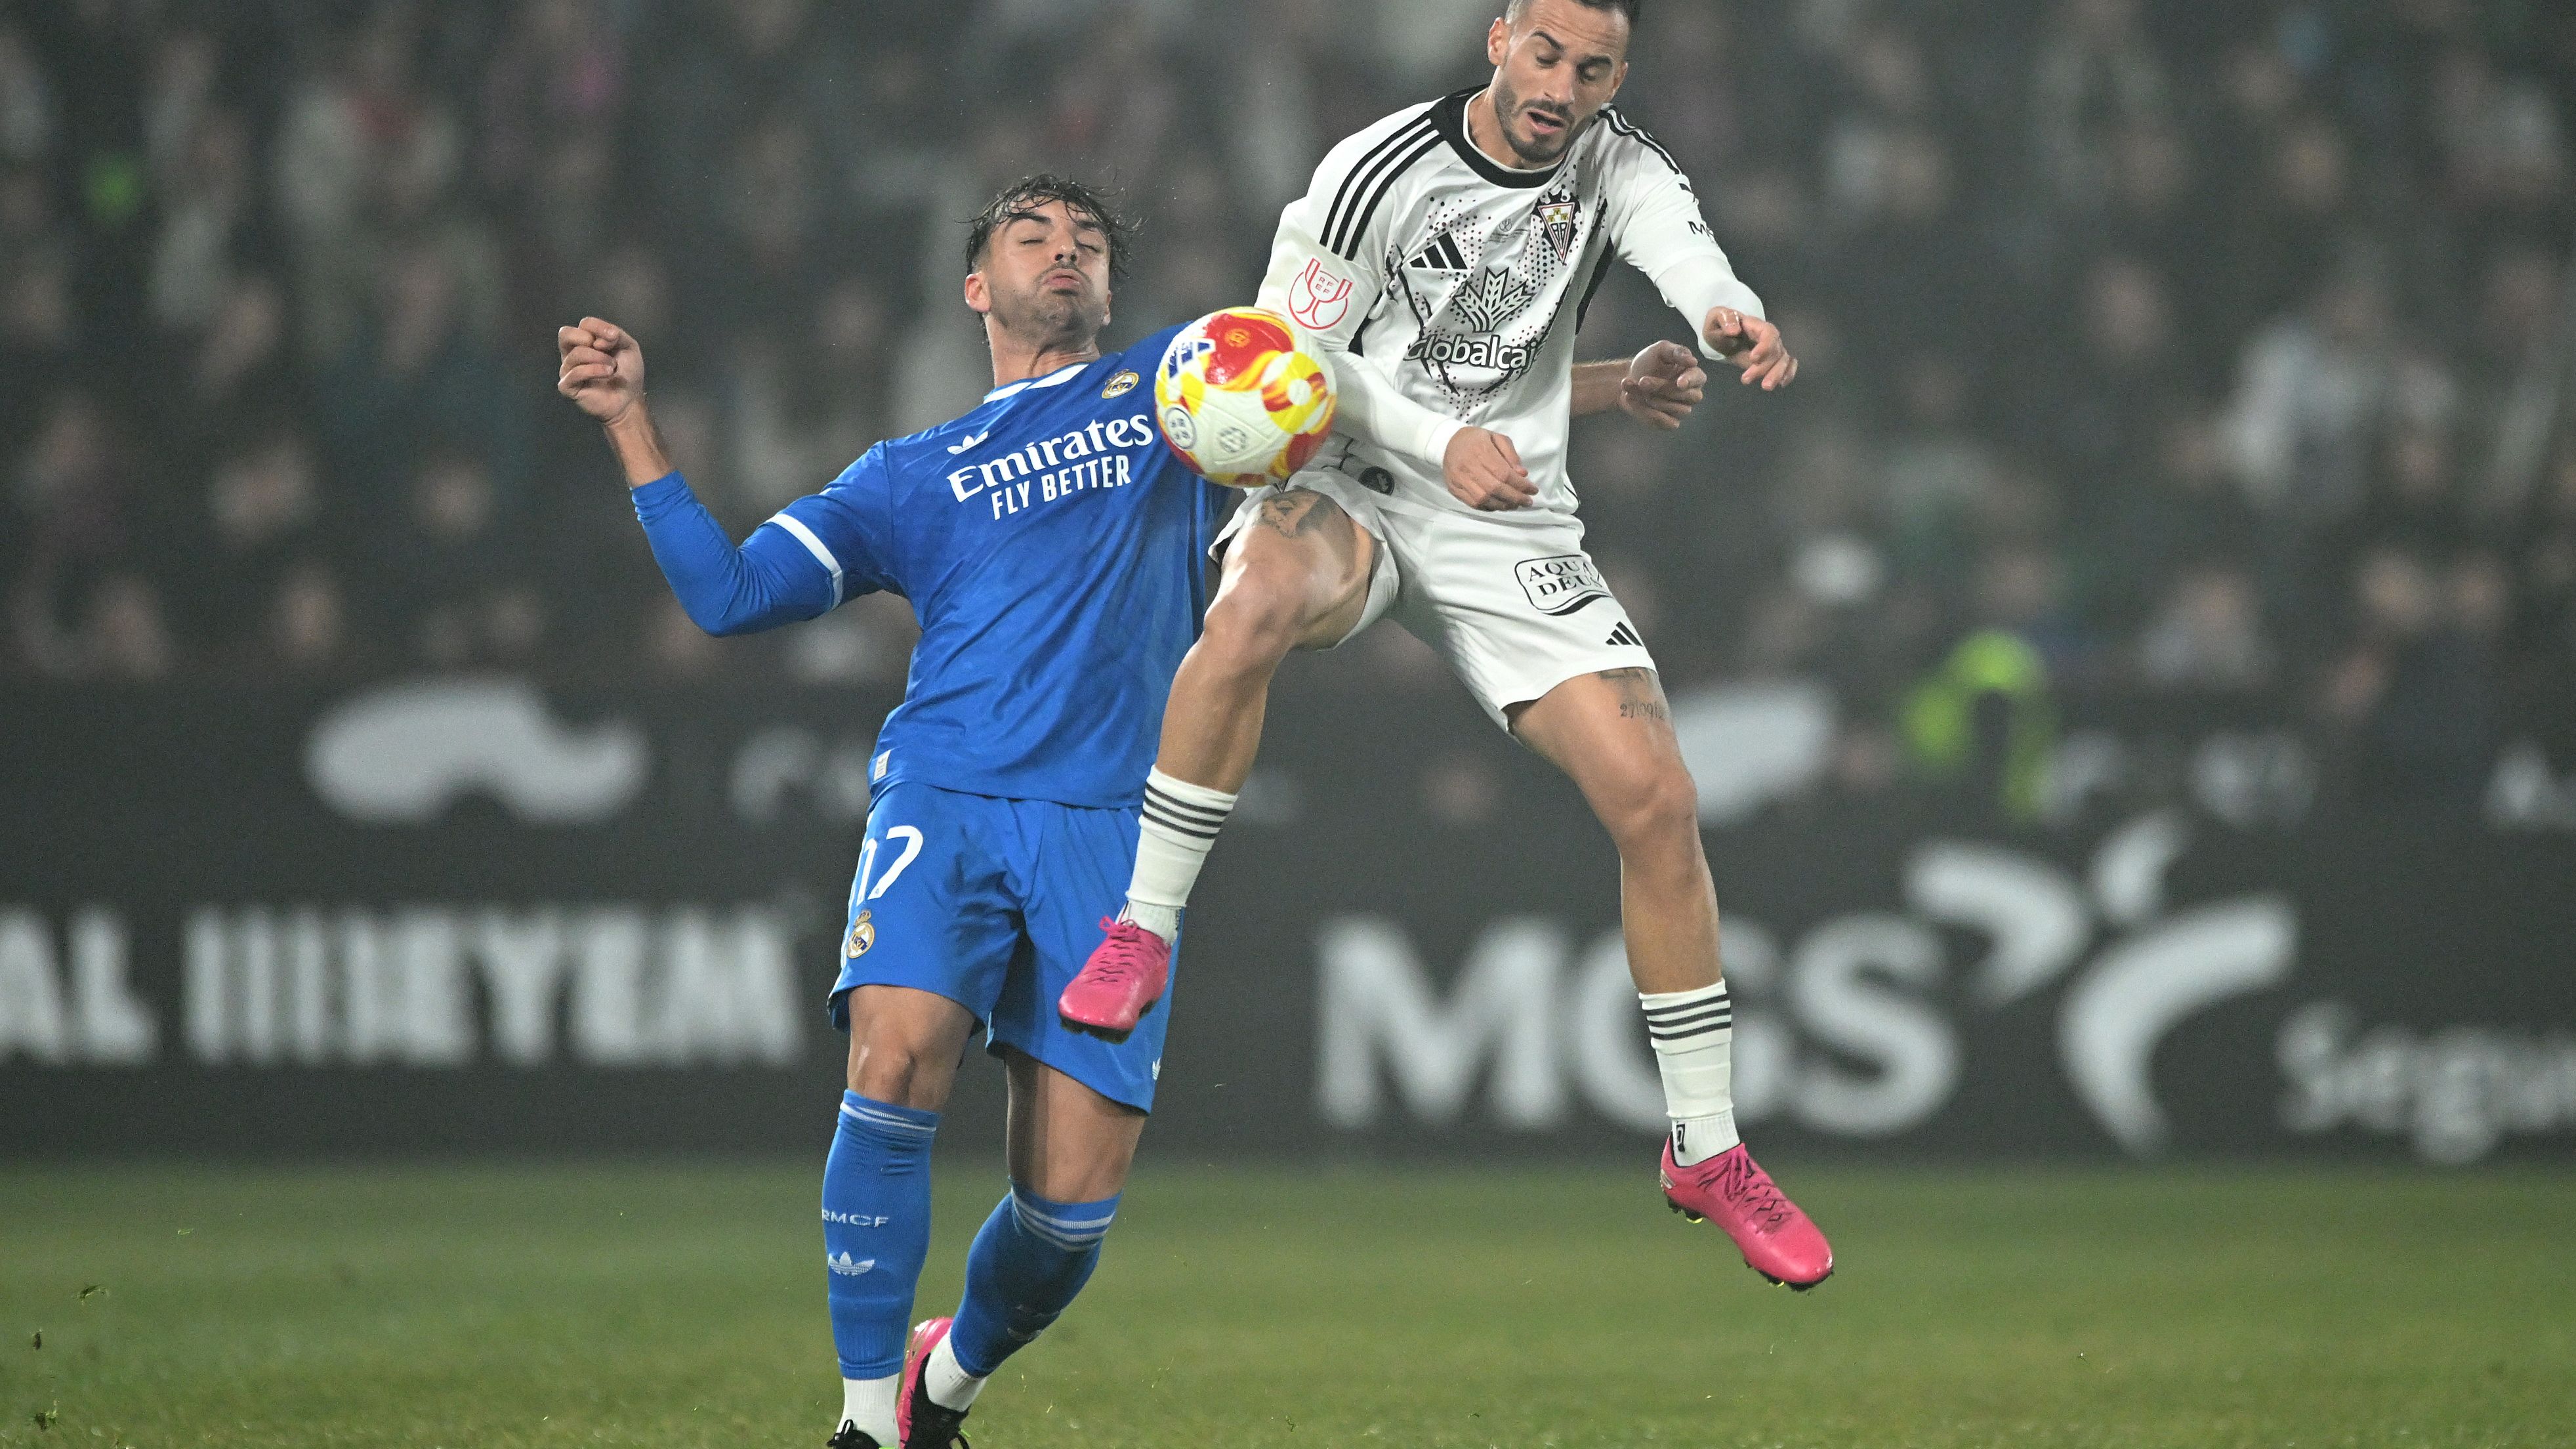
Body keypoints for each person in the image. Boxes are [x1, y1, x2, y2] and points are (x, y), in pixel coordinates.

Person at [1057, 0, 1834, 1288]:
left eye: (1591, 69)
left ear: (1615, 78)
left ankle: (1705, 1146)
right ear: (1497, 42)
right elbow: (1284, 354)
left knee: (1659, 801)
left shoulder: (1616, 165)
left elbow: (1681, 248)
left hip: (1507, 517)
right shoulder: (1370, 173)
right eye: (1544, 55)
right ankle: (1141, 926)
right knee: (1247, 607)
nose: (1561, 85)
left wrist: (1723, 316)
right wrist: (1434, 443)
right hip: (1353, 476)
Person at [556, 177, 1227, 1449]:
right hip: (947, 790)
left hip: (1112, 828)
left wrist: (1578, 390)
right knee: (894, 1056)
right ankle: (865, 1426)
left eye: (1085, 240)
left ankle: (944, 1386)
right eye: (1031, 235)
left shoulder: (1178, 396)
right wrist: (633, 425)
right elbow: (730, 597)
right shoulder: (910, 476)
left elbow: (1382, 412)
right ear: (976, 286)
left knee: (1068, 1212)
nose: (1064, 251)